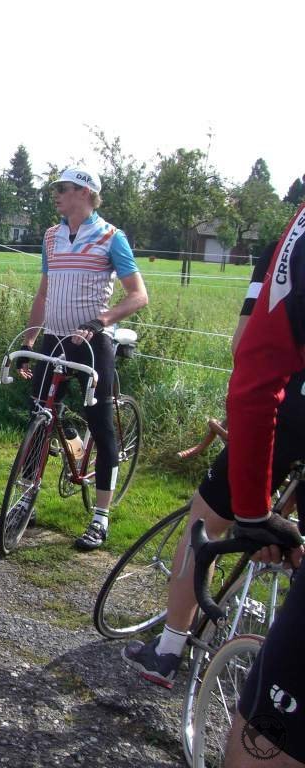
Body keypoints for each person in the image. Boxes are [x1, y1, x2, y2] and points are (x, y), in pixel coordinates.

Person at [121, 238, 305, 689]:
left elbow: (246, 342)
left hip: (287, 410)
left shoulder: (288, 243)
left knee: (204, 522)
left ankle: (167, 650)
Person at [213, 201, 305, 767]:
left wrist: (251, 510)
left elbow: (252, 366)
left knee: (267, 739)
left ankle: (170, 645)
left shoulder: (299, 230)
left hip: (284, 411)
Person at [17, 167, 148, 550]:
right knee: (39, 418)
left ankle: (101, 517)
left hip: (92, 343)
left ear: (85, 193)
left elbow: (138, 295)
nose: (56, 194)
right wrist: (30, 338)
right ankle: (26, 500)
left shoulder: (111, 237)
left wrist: (101, 320)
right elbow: (44, 293)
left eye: (63, 188)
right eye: (56, 188)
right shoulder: (51, 236)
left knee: (102, 427)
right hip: (54, 340)